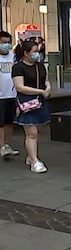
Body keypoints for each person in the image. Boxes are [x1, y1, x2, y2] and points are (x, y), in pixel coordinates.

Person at [11, 40, 50, 172]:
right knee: (31, 133)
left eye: (38, 52)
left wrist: (48, 88)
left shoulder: (40, 66)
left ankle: (30, 155)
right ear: (26, 53)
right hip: (27, 101)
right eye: (34, 52)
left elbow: (46, 80)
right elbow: (20, 87)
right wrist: (40, 91)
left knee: (36, 130)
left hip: (41, 101)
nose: (37, 54)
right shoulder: (18, 67)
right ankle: (34, 161)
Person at [0, 31, 19, 159]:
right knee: (0, 123)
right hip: (0, 96)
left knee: (9, 122)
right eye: (3, 43)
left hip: (12, 94)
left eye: (8, 42)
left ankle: (6, 144)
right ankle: (2, 146)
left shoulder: (13, 57)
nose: (6, 45)